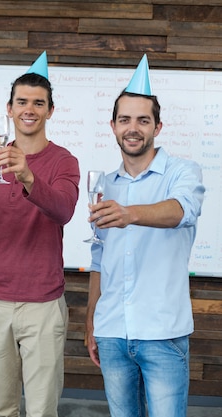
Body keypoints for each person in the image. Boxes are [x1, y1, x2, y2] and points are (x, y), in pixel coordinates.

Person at [85, 55, 205, 417]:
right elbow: (98, 255)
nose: (133, 128)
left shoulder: (183, 171)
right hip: (112, 333)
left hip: (163, 333)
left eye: (142, 120)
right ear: (113, 126)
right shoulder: (103, 184)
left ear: (157, 126)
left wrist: (130, 213)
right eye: (125, 119)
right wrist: (92, 320)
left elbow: (182, 211)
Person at [0, 51, 80, 417]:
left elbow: (63, 210)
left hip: (43, 305)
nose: (29, 109)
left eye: (38, 103)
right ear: (9, 109)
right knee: (2, 409)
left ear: (50, 111)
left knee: (42, 411)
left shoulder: (64, 161)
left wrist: (27, 175)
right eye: (22, 102)